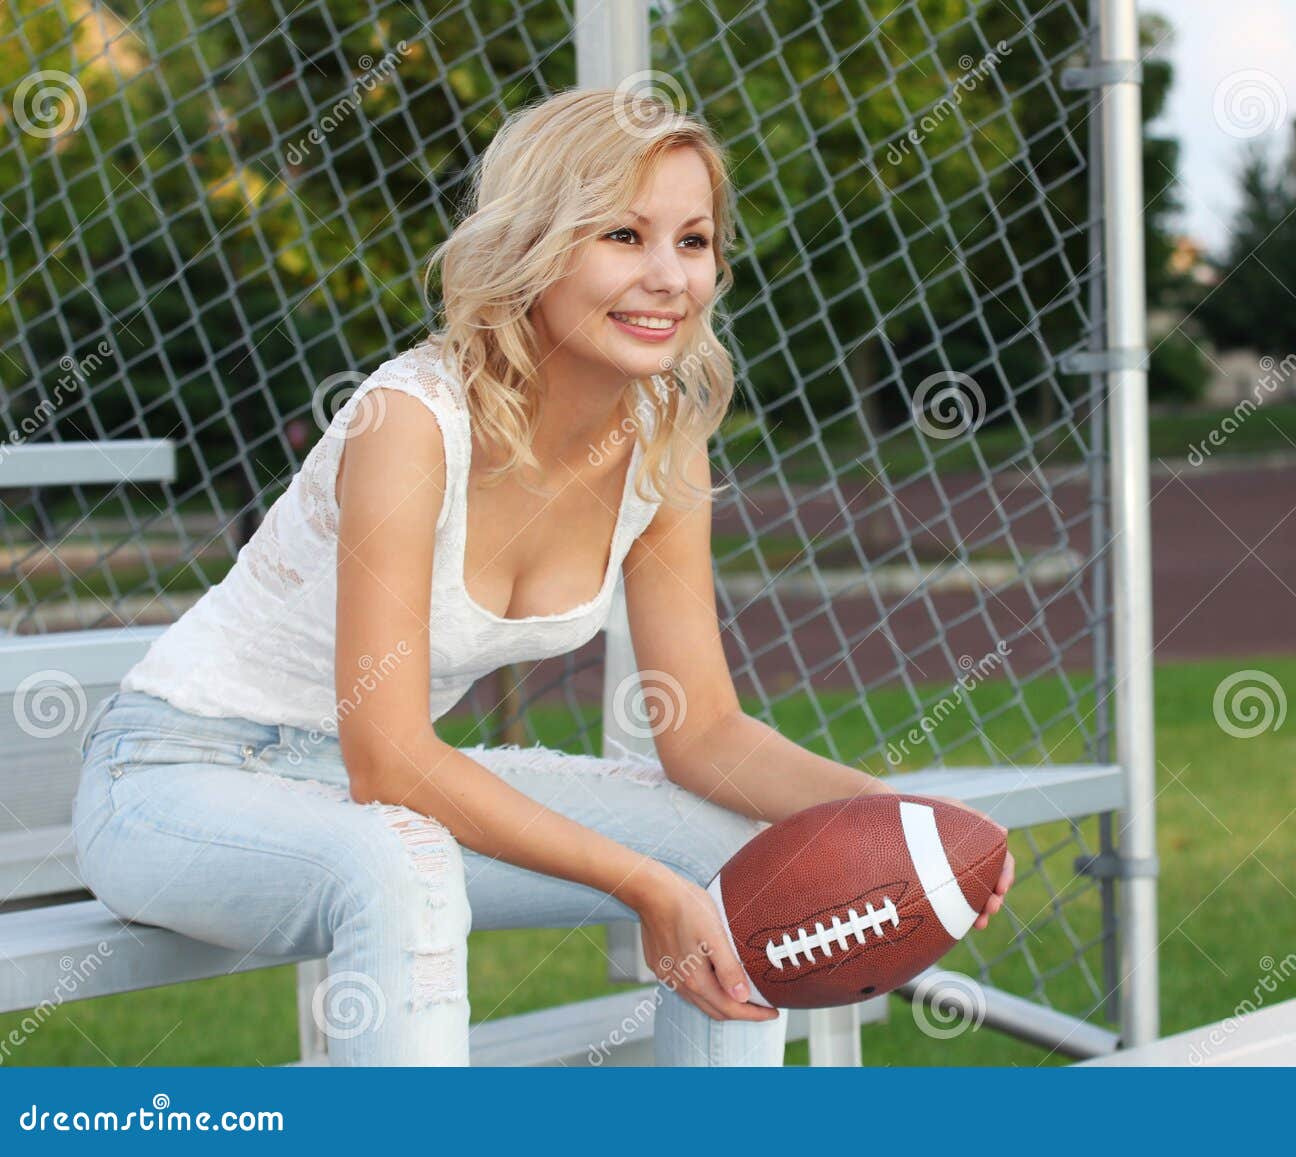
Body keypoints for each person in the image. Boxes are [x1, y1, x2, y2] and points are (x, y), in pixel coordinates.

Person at [71, 87, 1014, 1067]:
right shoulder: (411, 420)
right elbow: (387, 758)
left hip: (361, 797)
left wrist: (906, 822)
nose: (667, 277)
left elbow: (703, 731)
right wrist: (644, 886)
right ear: (534, 245)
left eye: (693, 242)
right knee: (404, 862)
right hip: (178, 778)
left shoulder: (661, 444)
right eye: (622, 234)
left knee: (734, 848)